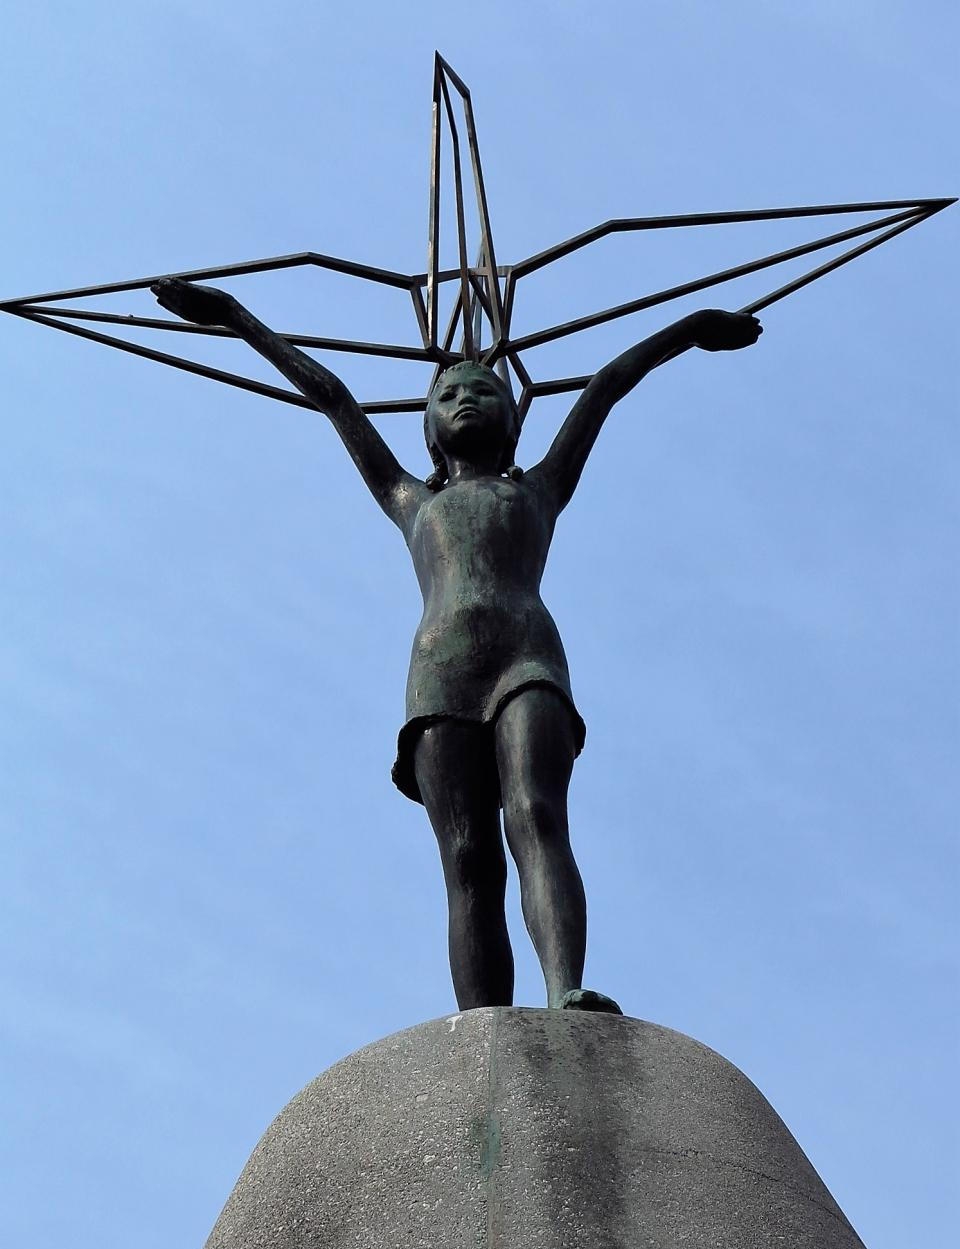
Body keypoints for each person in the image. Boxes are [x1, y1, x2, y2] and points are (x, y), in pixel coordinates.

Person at [152, 277, 761, 1013]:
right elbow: (333, 398)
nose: (466, 399)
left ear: (513, 420)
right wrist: (233, 316)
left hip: (527, 657)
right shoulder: (412, 501)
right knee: (467, 857)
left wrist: (691, 327)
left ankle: (564, 990)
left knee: (537, 814)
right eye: (449, 395)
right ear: (430, 431)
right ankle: (485, 1029)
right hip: (442, 674)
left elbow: (605, 387)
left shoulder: (539, 490)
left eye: (484, 391)